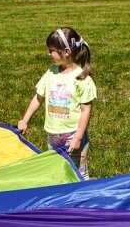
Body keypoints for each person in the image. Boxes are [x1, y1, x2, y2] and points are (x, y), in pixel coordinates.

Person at [17, 27, 96, 179]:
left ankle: (82, 198)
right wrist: (24, 119)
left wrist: (78, 138)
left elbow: (86, 110)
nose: (48, 54)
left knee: (78, 172)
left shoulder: (82, 78)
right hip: (53, 134)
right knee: (57, 170)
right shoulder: (51, 73)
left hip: (72, 134)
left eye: (51, 50)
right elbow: (38, 97)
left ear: (66, 52)